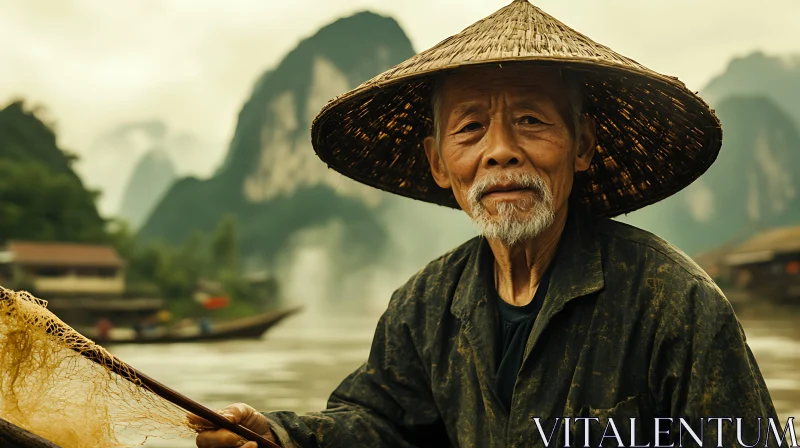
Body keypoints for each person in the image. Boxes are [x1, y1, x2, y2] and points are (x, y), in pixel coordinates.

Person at [195, 1, 779, 447]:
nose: (500, 151)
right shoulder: (425, 304)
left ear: (582, 145)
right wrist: (276, 432)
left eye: (530, 120)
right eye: (470, 128)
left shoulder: (674, 302)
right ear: (438, 162)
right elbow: (380, 422)